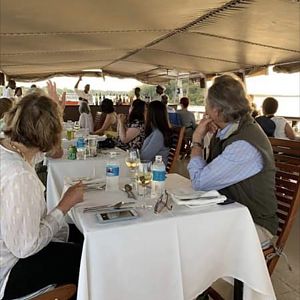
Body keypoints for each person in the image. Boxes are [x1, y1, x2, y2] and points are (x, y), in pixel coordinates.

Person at [0, 83, 84, 299]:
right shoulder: (19, 175)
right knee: (85, 257)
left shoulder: (11, 148)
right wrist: (65, 204)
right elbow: (26, 247)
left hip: (10, 249)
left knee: (80, 235)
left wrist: (56, 112)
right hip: (8, 271)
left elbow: (52, 152)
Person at [188, 74, 278, 244]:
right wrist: (210, 137)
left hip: (255, 224)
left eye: (206, 104)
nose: (205, 109)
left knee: (194, 240)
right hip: (233, 214)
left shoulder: (243, 145)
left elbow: (199, 182)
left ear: (216, 111)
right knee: (188, 228)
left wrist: (197, 140)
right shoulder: (231, 130)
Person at [140, 100, 172, 165]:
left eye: (146, 111)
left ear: (151, 114)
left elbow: (144, 157)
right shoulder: (155, 131)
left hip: (155, 171)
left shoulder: (158, 134)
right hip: (149, 168)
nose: (144, 113)